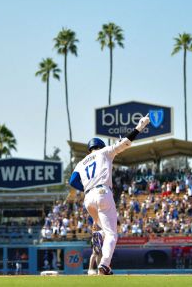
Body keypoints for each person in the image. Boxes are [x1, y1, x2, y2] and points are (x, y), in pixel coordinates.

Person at [69, 114, 150, 275]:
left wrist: (86, 186)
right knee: (112, 233)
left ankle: (98, 234)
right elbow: (125, 143)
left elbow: (72, 181)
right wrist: (139, 127)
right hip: (102, 192)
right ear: (100, 145)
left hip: (88, 198)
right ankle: (104, 265)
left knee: (104, 229)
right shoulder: (104, 152)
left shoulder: (81, 162)